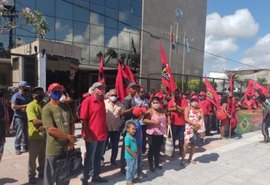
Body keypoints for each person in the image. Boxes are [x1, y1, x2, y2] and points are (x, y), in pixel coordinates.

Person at [42, 83, 76, 185]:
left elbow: (72, 123)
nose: (57, 93)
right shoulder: (47, 109)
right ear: (49, 93)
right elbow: (51, 129)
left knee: (65, 176)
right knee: (50, 176)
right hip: (54, 148)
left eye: (59, 91)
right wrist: (69, 137)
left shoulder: (66, 106)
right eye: (55, 91)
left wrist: (70, 142)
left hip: (67, 148)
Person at [80, 82, 108, 184]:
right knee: (89, 158)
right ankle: (85, 178)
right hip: (91, 136)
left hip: (102, 135)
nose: (102, 90)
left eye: (103, 88)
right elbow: (83, 120)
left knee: (98, 157)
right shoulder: (87, 101)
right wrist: (86, 135)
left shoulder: (102, 102)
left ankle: (96, 176)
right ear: (94, 89)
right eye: (100, 88)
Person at [26, 87, 46, 184]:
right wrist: (48, 122)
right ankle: (32, 176)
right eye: (37, 92)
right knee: (32, 158)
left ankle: (41, 172)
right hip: (34, 136)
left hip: (44, 135)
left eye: (41, 92)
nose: (39, 94)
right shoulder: (30, 106)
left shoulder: (44, 104)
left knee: (43, 156)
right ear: (33, 95)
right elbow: (35, 122)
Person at [120, 82, 140, 174]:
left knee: (131, 146)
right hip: (127, 126)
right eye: (133, 87)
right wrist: (133, 109)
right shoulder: (127, 99)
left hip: (133, 125)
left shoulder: (133, 99)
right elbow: (123, 112)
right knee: (126, 147)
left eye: (136, 87)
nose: (135, 89)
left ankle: (130, 165)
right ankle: (123, 167)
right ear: (128, 89)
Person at [144, 96, 167, 172]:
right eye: (154, 103)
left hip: (160, 133)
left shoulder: (161, 110)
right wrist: (154, 122)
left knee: (157, 149)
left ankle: (157, 164)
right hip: (152, 133)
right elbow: (145, 120)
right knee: (151, 150)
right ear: (151, 103)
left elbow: (165, 117)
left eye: (157, 102)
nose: (156, 104)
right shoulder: (149, 111)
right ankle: (151, 166)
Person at [181, 95, 205, 166]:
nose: (194, 102)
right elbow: (186, 118)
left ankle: (190, 158)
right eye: (192, 100)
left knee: (194, 144)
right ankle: (182, 159)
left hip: (197, 129)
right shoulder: (187, 108)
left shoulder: (200, 109)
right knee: (186, 144)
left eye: (195, 100)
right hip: (189, 128)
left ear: (198, 101)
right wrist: (193, 124)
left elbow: (202, 119)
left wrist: (198, 125)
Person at [11, 81, 31, 155]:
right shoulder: (16, 96)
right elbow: (13, 106)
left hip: (26, 116)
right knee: (19, 133)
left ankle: (25, 147)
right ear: (21, 87)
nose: (26, 89)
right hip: (19, 117)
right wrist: (24, 106)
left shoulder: (26, 95)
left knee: (25, 133)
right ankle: (17, 148)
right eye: (25, 87)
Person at [105, 89, 123, 165]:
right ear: (108, 95)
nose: (113, 97)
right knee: (103, 146)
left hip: (116, 128)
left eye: (115, 95)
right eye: (112, 95)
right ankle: (101, 159)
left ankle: (113, 160)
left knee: (115, 146)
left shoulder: (120, 105)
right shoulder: (104, 103)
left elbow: (122, 116)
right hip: (106, 128)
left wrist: (120, 126)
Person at [168, 89, 188, 156]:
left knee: (181, 138)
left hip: (182, 123)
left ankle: (181, 151)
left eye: (177, 93)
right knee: (173, 138)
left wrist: (177, 107)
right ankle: (172, 151)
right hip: (173, 123)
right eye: (175, 94)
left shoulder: (184, 101)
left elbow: (185, 109)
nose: (176, 95)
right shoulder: (171, 101)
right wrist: (173, 109)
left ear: (179, 93)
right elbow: (168, 109)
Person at [132, 106, 147, 178]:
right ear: (140, 115)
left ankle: (139, 173)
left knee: (139, 160)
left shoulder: (137, 123)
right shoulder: (135, 125)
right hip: (136, 146)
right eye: (143, 114)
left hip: (139, 145)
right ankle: (135, 175)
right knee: (135, 161)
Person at [125, 121, 138, 185]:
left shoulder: (133, 136)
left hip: (134, 156)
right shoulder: (127, 137)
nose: (134, 130)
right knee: (130, 168)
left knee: (134, 168)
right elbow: (127, 147)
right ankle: (128, 181)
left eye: (135, 129)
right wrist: (133, 154)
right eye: (133, 129)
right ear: (127, 129)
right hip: (130, 157)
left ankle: (132, 178)